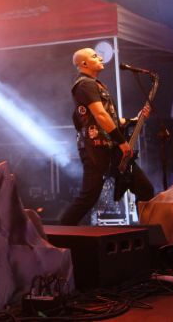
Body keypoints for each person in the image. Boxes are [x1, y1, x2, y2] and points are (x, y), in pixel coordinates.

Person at [59, 48, 154, 225]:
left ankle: (145, 231)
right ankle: (59, 234)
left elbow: (111, 119)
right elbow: (100, 115)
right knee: (88, 197)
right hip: (96, 150)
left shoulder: (95, 84)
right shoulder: (85, 84)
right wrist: (122, 142)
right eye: (95, 56)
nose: (101, 57)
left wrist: (136, 119)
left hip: (111, 148)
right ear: (84, 64)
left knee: (145, 189)